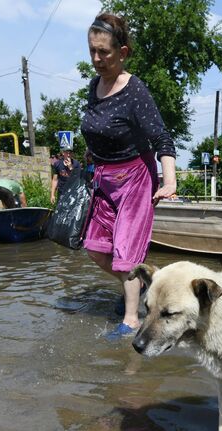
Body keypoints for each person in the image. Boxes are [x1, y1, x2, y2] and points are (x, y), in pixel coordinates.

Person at [82, 13, 177, 339]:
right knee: (94, 246)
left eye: (104, 52)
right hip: (103, 178)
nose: (96, 59)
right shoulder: (94, 87)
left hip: (135, 178)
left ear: (122, 52)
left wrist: (169, 181)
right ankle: (139, 283)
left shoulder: (135, 91)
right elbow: (96, 130)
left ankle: (132, 319)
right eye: (92, 50)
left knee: (125, 254)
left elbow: (162, 138)